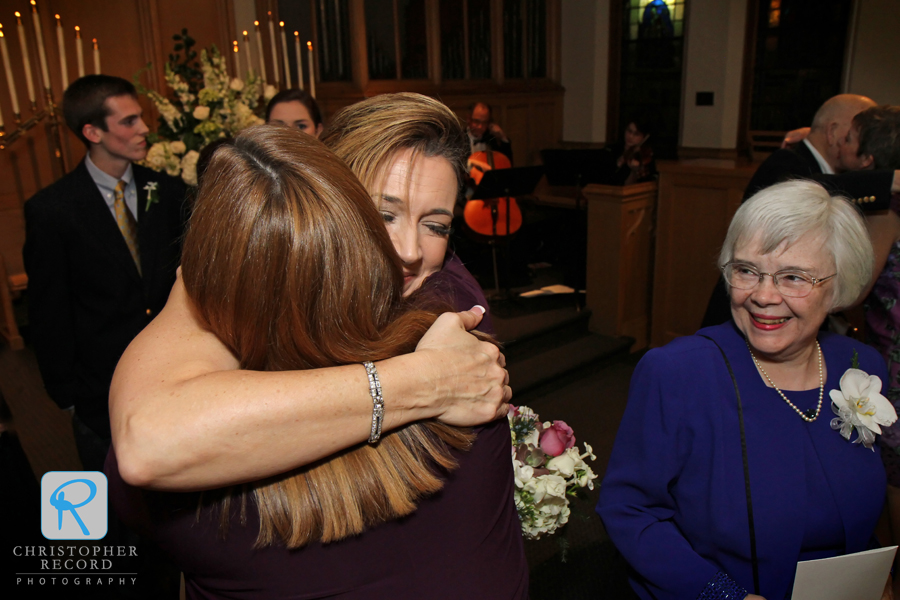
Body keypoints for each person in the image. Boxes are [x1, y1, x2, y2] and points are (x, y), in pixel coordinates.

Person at [106, 126, 527, 598]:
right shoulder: (448, 360)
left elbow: (147, 454)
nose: (409, 250)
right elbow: (150, 443)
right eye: (382, 215)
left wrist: (194, 285)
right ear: (323, 207)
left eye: (437, 225)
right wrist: (420, 382)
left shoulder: (451, 313)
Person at [598, 179, 896, 600]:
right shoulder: (677, 374)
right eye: (746, 271)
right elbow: (628, 511)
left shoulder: (860, 366)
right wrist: (718, 594)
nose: (763, 295)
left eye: (793, 276)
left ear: (838, 284)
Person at [23, 75, 186, 472]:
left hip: (173, 375)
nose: (144, 129)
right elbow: (49, 310)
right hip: (101, 390)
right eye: (129, 121)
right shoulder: (52, 210)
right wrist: (68, 394)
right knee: (112, 500)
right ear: (92, 131)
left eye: (141, 118)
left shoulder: (167, 190)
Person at [701, 94, 900, 328]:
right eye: (850, 134)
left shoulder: (824, 169)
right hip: (749, 320)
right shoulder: (786, 161)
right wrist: (887, 180)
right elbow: (797, 188)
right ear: (833, 132)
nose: (857, 142)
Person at [607, 116, 657, 185]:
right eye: (629, 131)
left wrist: (634, 171)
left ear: (644, 137)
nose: (630, 136)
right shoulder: (614, 149)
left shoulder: (645, 155)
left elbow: (631, 188)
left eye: (636, 134)